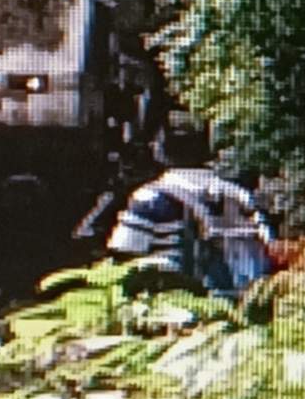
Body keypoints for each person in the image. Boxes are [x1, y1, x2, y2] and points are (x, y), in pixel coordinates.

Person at [107, 124, 279, 301]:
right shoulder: (241, 195)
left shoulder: (150, 196)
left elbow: (124, 251)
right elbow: (270, 246)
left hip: (173, 305)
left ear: (159, 152)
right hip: (242, 301)